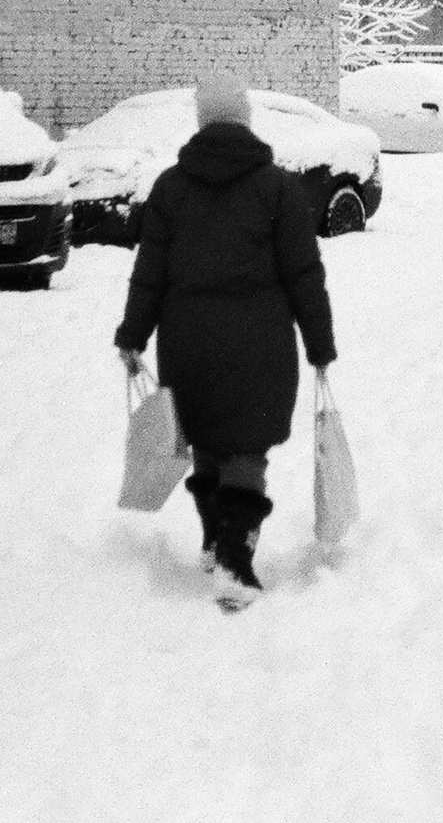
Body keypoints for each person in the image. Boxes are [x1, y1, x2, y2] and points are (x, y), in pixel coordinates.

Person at [114, 71, 336, 602]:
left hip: (187, 344)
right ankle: (235, 561)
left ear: (201, 122)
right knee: (245, 450)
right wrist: (319, 343)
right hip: (260, 346)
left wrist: (133, 335)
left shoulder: (171, 188)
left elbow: (150, 273)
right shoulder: (278, 188)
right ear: (246, 120)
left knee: (207, 443)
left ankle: (216, 538)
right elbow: (304, 274)